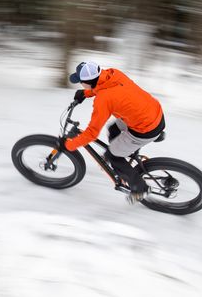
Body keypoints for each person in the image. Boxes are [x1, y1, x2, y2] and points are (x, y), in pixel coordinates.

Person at [59, 61, 165, 203]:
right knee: (113, 129)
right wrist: (86, 93)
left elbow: (92, 133)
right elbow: (104, 87)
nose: (80, 84)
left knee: (113, 156)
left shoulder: (103, 100)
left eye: (81, 82)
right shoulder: (114, 74)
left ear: (89, 81)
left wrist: (68, 145)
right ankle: (123, 151)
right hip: (154, 113)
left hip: (145, 128)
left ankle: (140, 188)